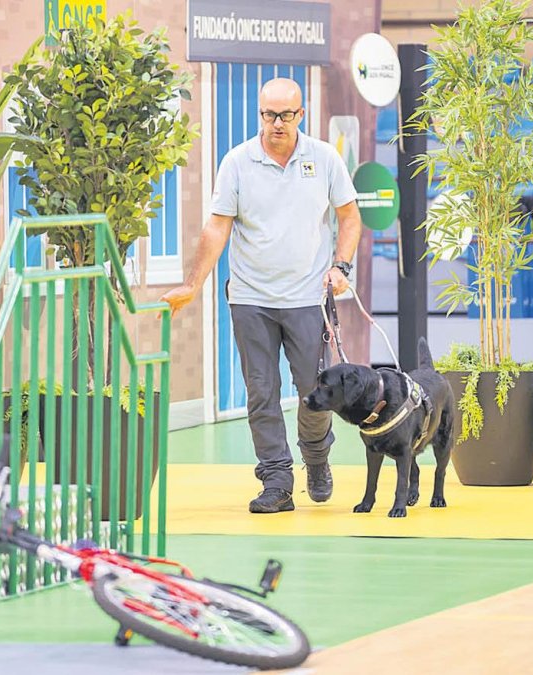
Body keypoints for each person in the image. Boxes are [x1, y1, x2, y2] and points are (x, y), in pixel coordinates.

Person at [160, 78, 362, 513]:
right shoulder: (238, 162)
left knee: (314, 388)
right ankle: (276, 479)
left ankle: (316, 456)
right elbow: (217, 227)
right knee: (261, 390)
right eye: (268, 115)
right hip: (251, 297)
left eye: (285, 115)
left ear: (300, 115)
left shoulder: (324, 159)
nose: (276, 123)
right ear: (260, 115)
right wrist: (193, 284)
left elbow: (349, 218)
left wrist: (340, 266)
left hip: (308, 297)